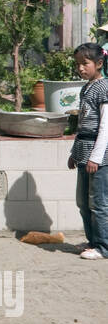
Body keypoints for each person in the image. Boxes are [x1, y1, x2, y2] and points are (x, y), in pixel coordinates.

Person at [67, 43, 108, 260]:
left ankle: (103, 246)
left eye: (85, 63)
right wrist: (74, 152)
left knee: (98, 202)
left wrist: (96, 157)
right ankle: (92, 241)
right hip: (83, 152)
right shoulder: (86, 88)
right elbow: (82, 124)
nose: (81, 68)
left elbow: (105, 127)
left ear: (99, 64)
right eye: (78, 64)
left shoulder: (104, 88)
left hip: (98, 156)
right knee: (83, 202)